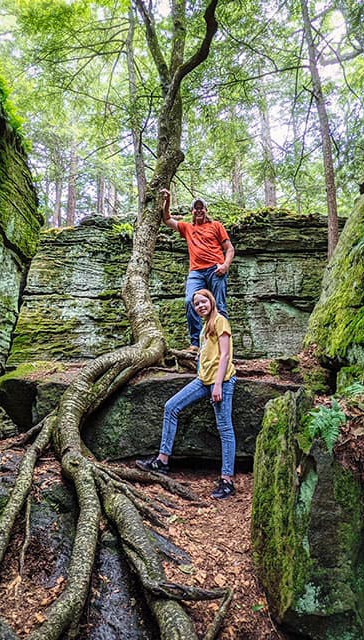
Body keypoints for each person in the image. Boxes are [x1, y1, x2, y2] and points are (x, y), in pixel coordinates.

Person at [137, 289, 237, 500]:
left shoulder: (220, 321)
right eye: (197, 304)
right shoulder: (204, 328)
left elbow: (226, 354)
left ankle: (227, 480)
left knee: (225, 428)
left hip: (222, 381)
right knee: (171, 406)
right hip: (203, 380)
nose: (201, 306)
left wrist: (218, 385)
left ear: (211, 301)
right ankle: (162, 460)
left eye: (203, 302)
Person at [160, 188, 235, 353]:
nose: (199, 210)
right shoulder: (187, 228)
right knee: (189, 301)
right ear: (192, 211)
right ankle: (196, 343)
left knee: (219, 305)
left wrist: (225, 265)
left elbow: (229, 248)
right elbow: (166, 219)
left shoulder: (216, 226)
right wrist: (168, 200)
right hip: (196, 272)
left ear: (206, 210)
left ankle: (221, 346)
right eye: (196, 208)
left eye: (202, 208)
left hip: (216, 270)